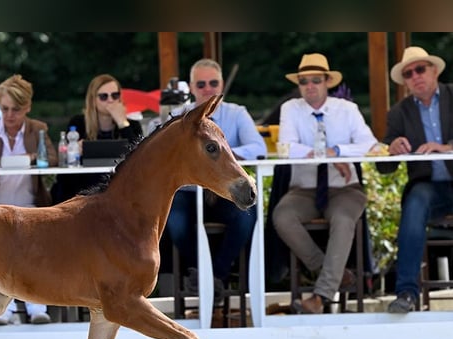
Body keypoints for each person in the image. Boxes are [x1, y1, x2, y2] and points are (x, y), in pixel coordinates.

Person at [273, 53, 378, 314]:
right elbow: (285, 147)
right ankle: (332, 272)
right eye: (304, 81)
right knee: (282, 216)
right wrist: (325, 156)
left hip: (346, 189)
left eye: (315, 80)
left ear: (327, 82)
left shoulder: (347, 109)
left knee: (343, 220)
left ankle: (320, 297)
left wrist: (338, 152)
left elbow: (371, 145)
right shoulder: (291, 108)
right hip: (304, 189)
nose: (310, 86)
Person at [165, 58, 266, 301]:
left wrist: (223, 157)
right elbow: (158, 154)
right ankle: (202, 274)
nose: (208, 89)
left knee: (247, 215)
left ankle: (215, 277)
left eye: (213, 83)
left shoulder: (237, 113)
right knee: (173, 220)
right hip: (188, 192)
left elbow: (258, 147)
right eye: (201, 84)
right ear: (191, 87)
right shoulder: (178, 116)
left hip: (224, 189)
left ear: (221, 84)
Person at [0, 74, 57, 325]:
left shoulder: (38, 129)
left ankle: (37, 307)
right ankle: (3, 309)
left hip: (30, 206)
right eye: (5, 109)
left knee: (35, 253)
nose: (10, 115)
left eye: (16, 110)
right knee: (1, 256)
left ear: (28, 108)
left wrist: (34, 157)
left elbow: (54, 159)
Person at [378, 46, 453, 313]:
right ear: (406, 82)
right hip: (428, 186)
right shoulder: (399, 112)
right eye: (409, 74)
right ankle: (406, 293)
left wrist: (445, 147)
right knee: (414, 204)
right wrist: (392, 148)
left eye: (420, 69)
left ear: (434, 71)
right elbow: (384, 167)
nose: (415, 76)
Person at [51, 74, 143, 204]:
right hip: (85, 188)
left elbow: (140, 155)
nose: (110, 100)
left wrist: (122, 123)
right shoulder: (78, 123)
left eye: (115, 95)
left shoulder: (131, 124)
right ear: (93, 100)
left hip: (121, 189)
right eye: (103, 96)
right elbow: (66, 160)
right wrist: (75, 149)